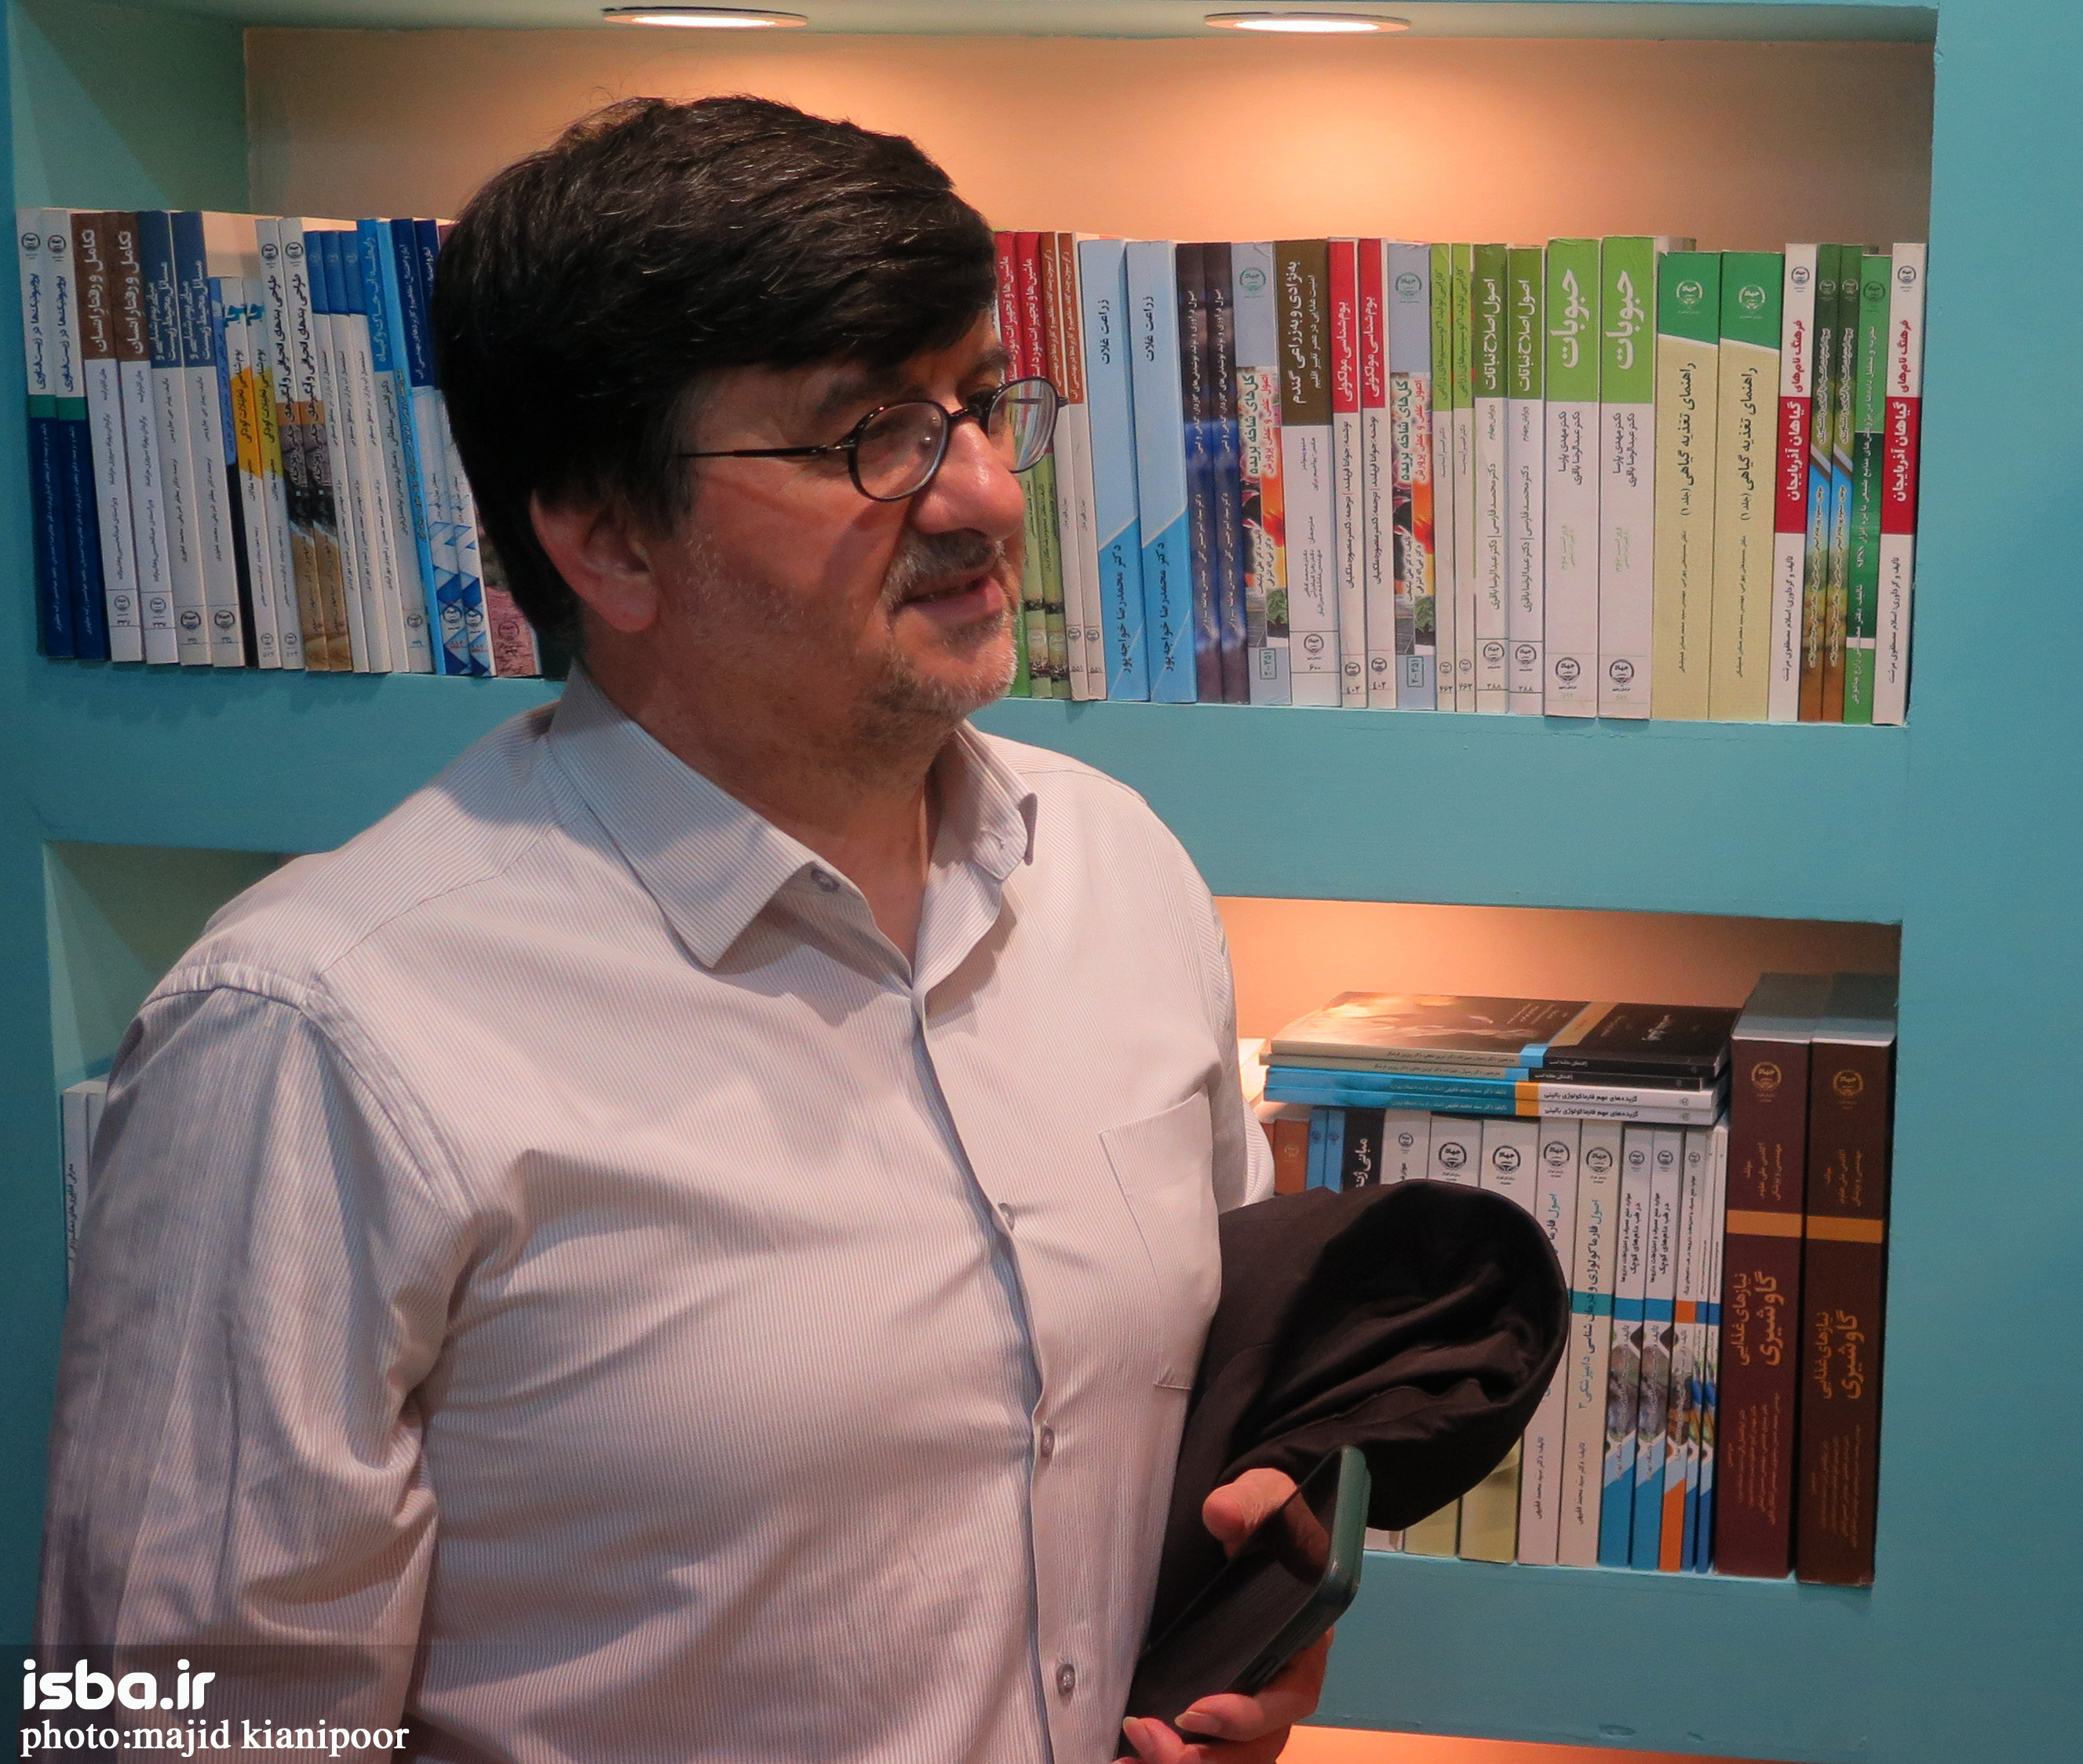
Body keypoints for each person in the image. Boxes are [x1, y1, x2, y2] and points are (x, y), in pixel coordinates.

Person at [38, 95, 1321, 1764]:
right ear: (604, 535)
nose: (982, 496)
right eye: (870, 435)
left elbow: (1171, 1441)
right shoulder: (312, 1035)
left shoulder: (1118, 869)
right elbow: (180, 1729)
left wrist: (1226, 1636)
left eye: (981, 402)